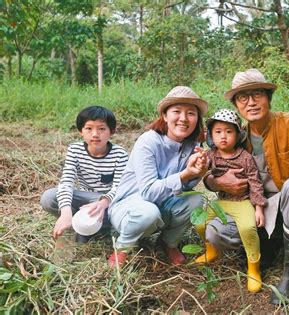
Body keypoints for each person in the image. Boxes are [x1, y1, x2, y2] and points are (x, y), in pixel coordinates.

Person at [202, 68, 289, 303]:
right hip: (256, 210)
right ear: (237, 105)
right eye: (242, 97)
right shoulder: (235, 136)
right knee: (215, 233)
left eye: (257, 94)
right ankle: (266, 245)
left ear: (268, 97)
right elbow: (211, 170)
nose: (251, 102)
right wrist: (213, 180)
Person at [107, 86, 208, 268]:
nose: (184, 119)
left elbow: (185, 188)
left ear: (197, 119)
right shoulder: (149, 141)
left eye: (191, 113)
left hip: (162, 204)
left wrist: (198, 173)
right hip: (130, 207)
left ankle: (168, 243)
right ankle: (122, 247)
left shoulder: (193, 144)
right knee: (148, 213)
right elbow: (148, 193)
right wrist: (185, 174)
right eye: (177, 111)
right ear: (165, 116)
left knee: (196, 200)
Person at [195, 108, 266, 293]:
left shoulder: (245, 157)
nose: (223, 136)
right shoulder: (211, 154)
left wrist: (258, 207)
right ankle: (211, 250)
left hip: (242, 202)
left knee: (248, 229)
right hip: (221, 201)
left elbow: (255, 182)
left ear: (238, 134)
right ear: (211, 135)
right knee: (200, 223)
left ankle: (253, 268)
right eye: (218, 132)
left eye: (229, 131)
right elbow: (205, 172)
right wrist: (201, 162)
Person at [40, 105, 129, 243]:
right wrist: (66, 212)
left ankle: (96, 229)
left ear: (111, 131)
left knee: (120, 212)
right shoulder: (75, 150)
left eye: (101, 129)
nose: (95, 134)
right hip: (85, 199)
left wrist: (103, 203)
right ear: (81, 131)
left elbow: (119, 187)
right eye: (89, 128)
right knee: (49, 197)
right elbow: (67, 181)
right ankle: (78, 224)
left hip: (108, 204)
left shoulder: (120, 154)